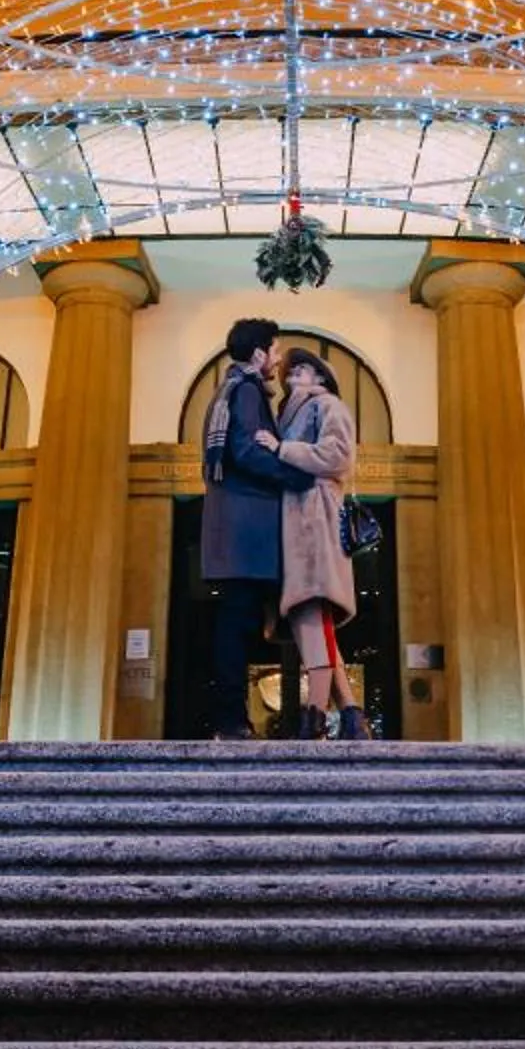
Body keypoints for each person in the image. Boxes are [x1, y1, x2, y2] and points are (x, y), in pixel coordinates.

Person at [199, 316, 314, 740]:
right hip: (246, 532)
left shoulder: (231, 389)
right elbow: (245, 451)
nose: (279, 359)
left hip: (236, 531)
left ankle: (232, 718)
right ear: (260, 352)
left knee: (239, 621)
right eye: (276, 350)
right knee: (238, 624)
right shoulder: (246, 390)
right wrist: (295, 473)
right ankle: (230, 721)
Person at [269, 349, 367, 740]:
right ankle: (351, 714)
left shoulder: (327, 405)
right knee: (311, 619)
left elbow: (339, 456)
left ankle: (313, 717)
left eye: (304, 369)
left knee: (312, 611)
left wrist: (282, 449)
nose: (293, 374)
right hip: (299, 522)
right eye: (291, 370)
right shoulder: (290, 416)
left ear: (322, 379)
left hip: (315, 520)